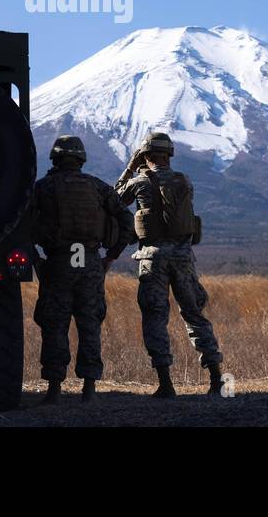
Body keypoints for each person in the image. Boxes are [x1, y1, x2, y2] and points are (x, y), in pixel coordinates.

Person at [116, 131, 225, 398]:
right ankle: (216, 378)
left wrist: (130, 168)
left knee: (155, 317)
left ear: (145, 155)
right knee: (194, 314)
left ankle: (166, 383)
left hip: (153, 259)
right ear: (169, 154)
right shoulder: (184, 180)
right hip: (183, 257)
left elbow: (115, 198)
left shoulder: (140, 181)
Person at [29, 135, 135, 404]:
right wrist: (110, 257)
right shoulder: (98, 187)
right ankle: (89, 389)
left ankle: (54, 389)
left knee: (55, 325)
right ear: (81, 159)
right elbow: (127, 220)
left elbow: (21, 224)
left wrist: (36, 260)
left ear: (55, 158)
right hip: (90, 262)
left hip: (58, 263)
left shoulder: (43, 188)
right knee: (89, 325)